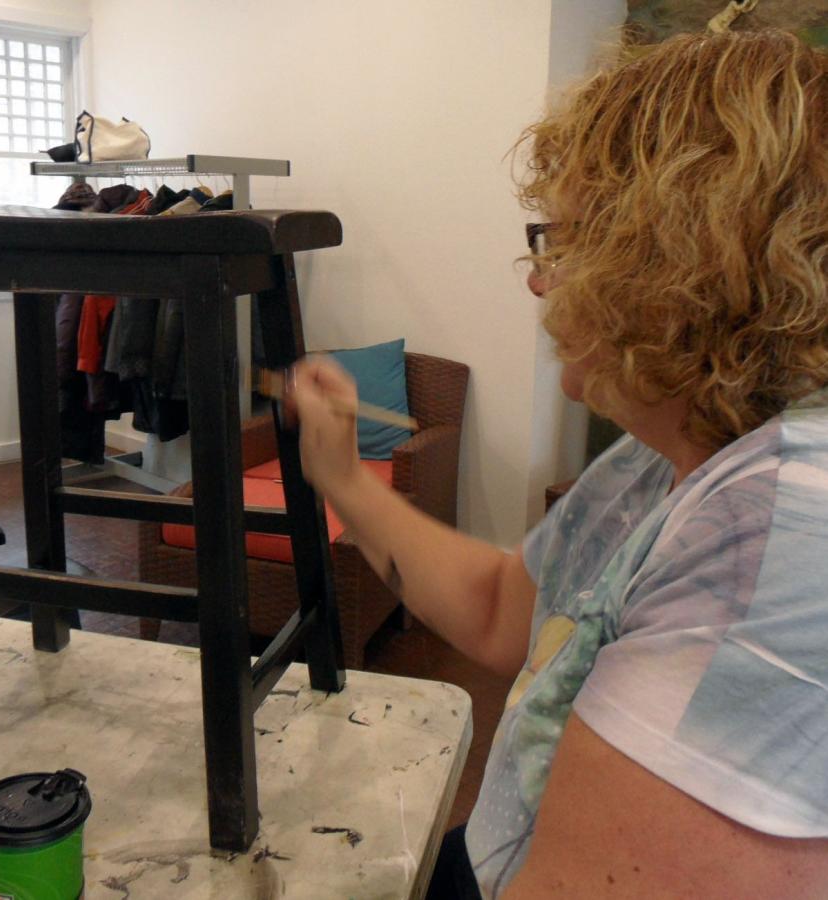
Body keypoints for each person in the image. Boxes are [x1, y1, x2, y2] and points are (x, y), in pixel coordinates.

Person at [289, 28, 828, 899]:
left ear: (677, 259)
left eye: (566, 241)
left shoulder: (785, 528)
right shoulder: (668, 455)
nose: (540, 281)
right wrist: (343, 475)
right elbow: (508, 611)